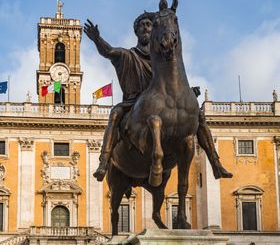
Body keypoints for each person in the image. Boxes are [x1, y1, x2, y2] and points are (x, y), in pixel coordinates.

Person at [84, 13, 232, 182]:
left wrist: (187, 91)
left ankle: (215, 162)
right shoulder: (128, 55)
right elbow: (108, 51)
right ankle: (104, 162)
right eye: (142, 25)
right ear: (136, 32)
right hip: (135, 102)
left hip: (162, 102)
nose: (146, 27)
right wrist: (97, 39)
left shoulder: (163, 59)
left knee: (198, 114)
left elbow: (173, 83)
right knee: (115, 113)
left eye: (149, 25)